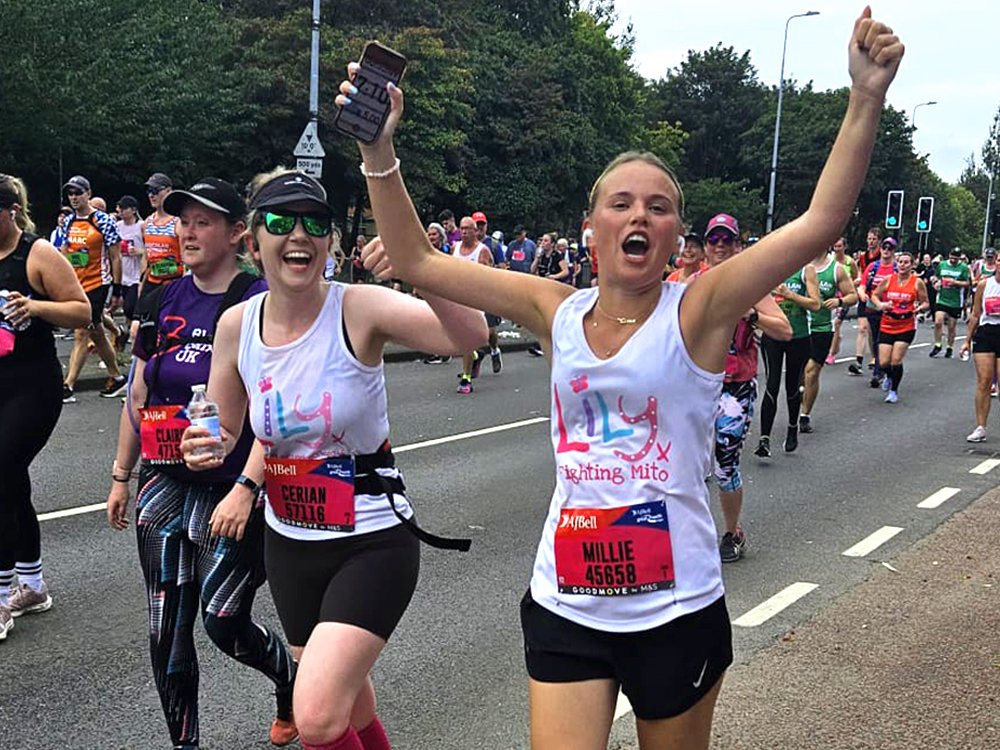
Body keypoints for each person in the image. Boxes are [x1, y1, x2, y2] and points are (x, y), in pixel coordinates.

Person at [337, 11, 902, 746]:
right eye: (622, 202)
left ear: (675, 235)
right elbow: (416, 260)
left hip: (675, 609)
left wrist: (864, 97)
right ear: (592, 225)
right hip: (568, 600)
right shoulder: (554, 309)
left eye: (659, 207)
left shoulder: (699, 310)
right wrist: (379, 149)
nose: (640, 214)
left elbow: (822, 221)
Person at [181, 168, 486, 750]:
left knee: (316, 713)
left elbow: (468, 336)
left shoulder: (359, 308)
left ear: (330, 242)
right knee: (353, 700)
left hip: (371, 538)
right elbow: (224, 425)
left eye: (314, 223)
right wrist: (208, 446)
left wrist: (418, 273)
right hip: (290, 543)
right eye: (280, 221)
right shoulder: (237, 325)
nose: (298, 235)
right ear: (253, 241)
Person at [105, 178, 299, 749]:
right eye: (183, 221)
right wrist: (121, 475)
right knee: (166, 627)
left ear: (238, 233)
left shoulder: (258, 300)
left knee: (222, 621)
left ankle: (287, 681)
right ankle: (184, 744)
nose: (188, 232)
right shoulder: (161, 298)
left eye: (203, 222)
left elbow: (279, 400)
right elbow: (137, 396)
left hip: (234, 489)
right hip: (163, 483)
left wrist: (248, 485)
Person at [0, 175, 89, 641]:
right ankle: (31, 585)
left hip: (33, 386)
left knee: (0, 474)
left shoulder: (36, 254)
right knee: (11, 483)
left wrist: (34, 307)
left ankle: (0, 599)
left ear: (10, 211)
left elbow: (82, 311)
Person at [697, 215, 790, 562]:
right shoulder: (691, 283)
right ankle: (688, 533)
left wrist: (751, 315)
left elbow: (784, 330)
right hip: (695, 386)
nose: (720, 246)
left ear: (738, 246)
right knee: (683, 465)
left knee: (724, 465)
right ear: (706, 246)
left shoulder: (751, 287)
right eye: (714, 240)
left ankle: (732, 532)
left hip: (734, 389)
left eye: (727, 240)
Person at [56, 175, 127, 401]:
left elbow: (116, 256)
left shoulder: (103, 221)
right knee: (96, 332)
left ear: (88, 194)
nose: (74, 197)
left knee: (81, 331)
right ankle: (116, 377)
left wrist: (117, 289)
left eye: (78, 192)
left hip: (98, 283)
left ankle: (68, 386)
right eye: (71, 193)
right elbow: (64, 252)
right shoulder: (68, 221)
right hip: (76, 284)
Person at [756, 262, 820, 453]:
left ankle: (792, 429)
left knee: (792, 385)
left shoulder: (805, 270)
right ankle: (764, 440)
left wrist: (790, 295)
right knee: (772, 383)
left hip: (798, 336)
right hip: (772, 336)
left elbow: (816, 304)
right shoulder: (769, 269)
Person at [800, 244, 858, 432]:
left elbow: (853, 296)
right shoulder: (798, 265)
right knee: (800, 374)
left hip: (822, 328)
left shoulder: (836, 269)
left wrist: (839, 301)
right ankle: (800, 399)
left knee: (812, 370)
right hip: (799, 326)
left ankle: (805, 415)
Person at [870, 249, 928, 403]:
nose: (902, 265)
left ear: (912, 265)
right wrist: (881, 304)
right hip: (887, 323)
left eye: (906, 262)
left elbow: (926, 303)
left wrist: (919, 308)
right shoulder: (889, 279)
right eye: (900, 262)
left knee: (896, 360)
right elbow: (874, 295)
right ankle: (889, 376)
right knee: (883, 362)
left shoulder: (917, 282)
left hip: (906, 324)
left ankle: (894, 390)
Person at [452, 215, 495, 393]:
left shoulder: (482, 251)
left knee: (466, 339)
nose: (463, 232)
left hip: (475, 301)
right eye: (461, 229)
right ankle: (475, 356)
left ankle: (466, 379)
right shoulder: (455, 248)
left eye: (467, 229)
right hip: (457, 299)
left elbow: (486, 277)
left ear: (475, 231)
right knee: (457, 340)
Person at [962, 258, 1000, 441]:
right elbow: (976, 313)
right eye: (999, 260)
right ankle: (980, 427)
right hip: (986, 332)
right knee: (984, 381)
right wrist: (966, 341)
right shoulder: (985, 285)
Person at [859, 236, 898, 387]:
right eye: (884, 248)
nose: (886, 251)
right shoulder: (873, 267)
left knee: (885, 339)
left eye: (890, 249)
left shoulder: (896, 268)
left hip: (890, 309)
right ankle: (879, 368)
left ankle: (881, 370)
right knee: (876, 339)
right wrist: (862, 293)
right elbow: (862, 284)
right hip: (873, 308)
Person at [141, 173, 184, 296]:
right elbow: (146, 257)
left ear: (168, 191)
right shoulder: (146, 223)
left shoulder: (178, 222)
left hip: (173, 283)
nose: (151, 195)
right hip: (151, 283)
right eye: (149, 191)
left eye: (155, 191)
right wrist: (141, 283)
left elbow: (186, 259)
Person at [848, 226, 883, 375]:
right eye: (869, 239)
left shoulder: (883, 255)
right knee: (863, 328)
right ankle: (859, 361)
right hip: (865, 295)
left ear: (879, 241)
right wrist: (858, 282)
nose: (871, 242)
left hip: (879, 297)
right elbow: (862, 272)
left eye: (874, 239)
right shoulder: (863, 256)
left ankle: (876, 357)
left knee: (873, 330)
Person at [929, 247, 970, 358]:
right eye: (952, 257)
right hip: (942, 298)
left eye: (956, 258)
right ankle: (938, 344)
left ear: (959, 258)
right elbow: (935, 277)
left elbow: (967, 283)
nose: (953, 260)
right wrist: (935, 282)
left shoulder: (964, 268)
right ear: (949, 255)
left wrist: (955, 282)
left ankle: (949, 347)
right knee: (938, 321)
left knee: (951, 326)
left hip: (955, 301)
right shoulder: (942, 265)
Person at [115, 195, 145, 349]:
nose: (120, 211)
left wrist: (138, 251)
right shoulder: (117, 226)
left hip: (136, 274)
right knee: (124, 307)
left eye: (124, 208)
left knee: (130, 307)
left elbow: (149, 249)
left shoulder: (141, 226)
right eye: (119, 208)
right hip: (122, 273)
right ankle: (125, 331)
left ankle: (129, 333)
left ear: (133, 210)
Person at [825, 236, 859, 364]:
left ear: (844, 247)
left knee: (836, 323)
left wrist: (853, 284)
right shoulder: (829, 260)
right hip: (830, 295)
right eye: (835, 247)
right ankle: (836, 340)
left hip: (843, 297)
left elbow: (857, 277)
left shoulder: (850, 262)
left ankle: (831, 353)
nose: (837, 249)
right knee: (830, 324)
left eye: (839, 246)